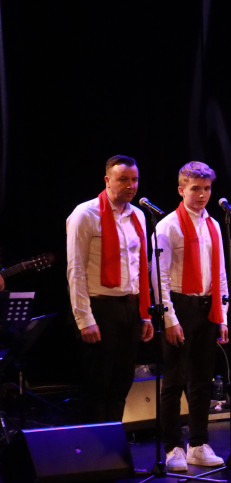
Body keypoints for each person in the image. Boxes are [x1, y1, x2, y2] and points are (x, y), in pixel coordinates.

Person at [66, 155, 154, 423]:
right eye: (123, 179)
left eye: (134, 179)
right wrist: (84, 319)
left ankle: (115, 451)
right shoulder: (85, 214)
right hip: (100, 307)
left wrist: (145, 313)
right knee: (98, 386)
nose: (131, 185)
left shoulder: (138, 215)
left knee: (122, 383)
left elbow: (142, 269)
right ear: (107, 180)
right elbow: (75, 269)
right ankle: (95, 455)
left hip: (129, 307)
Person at [154, 161, 229, 472]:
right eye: (195, 189)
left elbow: (221, 273)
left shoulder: (213, 224)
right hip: (180, 306)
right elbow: (160, 277)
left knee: (201, 380)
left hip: (207, 306)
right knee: (173, 380)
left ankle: (198, 443)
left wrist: (222, 315)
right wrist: (170, 319)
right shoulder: (168, 225)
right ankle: (172, 447)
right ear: (181, 189)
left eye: (207, 188)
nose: (202, 195)